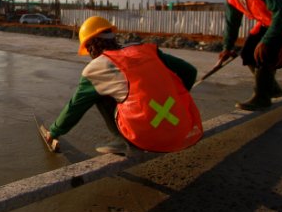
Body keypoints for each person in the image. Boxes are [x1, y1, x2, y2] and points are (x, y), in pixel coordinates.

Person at [43, 16, 202, 155]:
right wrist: (177, 95)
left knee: (100, 94)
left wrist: (54, 131)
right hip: (180, 130)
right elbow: (189, 72)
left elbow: (75, 107)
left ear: (91, 45)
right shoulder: (146, 50)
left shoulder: (98, 68)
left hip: (147, 137)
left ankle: (122, 141)